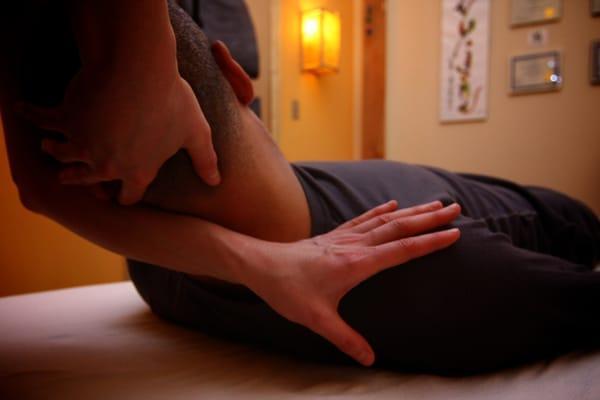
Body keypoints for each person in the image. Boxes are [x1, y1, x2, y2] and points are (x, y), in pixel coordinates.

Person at [3, 1, 599, 375]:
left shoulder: (153, 274)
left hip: (343, 194)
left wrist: (259, 264)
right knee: (576, 223)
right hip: (466, 209)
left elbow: (40, 191)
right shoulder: (431, 262)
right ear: (238, 79)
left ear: (94, 182)